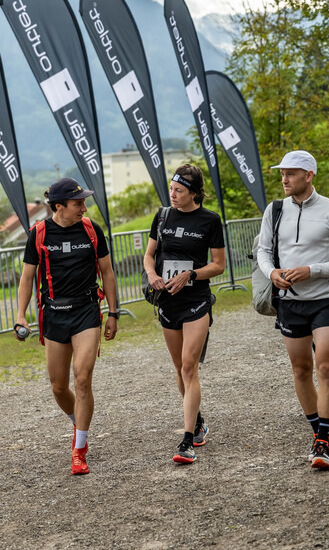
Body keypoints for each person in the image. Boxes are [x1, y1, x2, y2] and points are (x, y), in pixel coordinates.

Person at [255, 150, 329, 470]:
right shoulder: (274, 211)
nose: (284, 179)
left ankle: (323, 440)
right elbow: (263, 251)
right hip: (290, 303)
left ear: (309, 175)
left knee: (324, 367)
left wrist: (312, 270)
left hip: (326, 299)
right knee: (301, 369)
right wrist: (272, 272)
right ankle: (320, 435)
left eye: (291, 173)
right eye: (282, 174)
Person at [15, 178, 118, 475]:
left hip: (86, 311)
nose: (83, 208)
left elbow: (107, 272)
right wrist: (20, 315)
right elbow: (26, 278)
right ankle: (79, 420)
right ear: (58, 207)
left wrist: (112, 312)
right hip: (54, 314)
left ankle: (79, 449)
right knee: (59, 386)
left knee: (81, 378)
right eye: (77, 204)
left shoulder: (91, 229)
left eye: (84, 203)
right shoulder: (39, 234)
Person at [143, 165, 226, 465]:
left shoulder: (210, 220)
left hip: (196, 302)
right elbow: (149, 255)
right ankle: (199, 419)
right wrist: (152, 274)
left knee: (190, 368)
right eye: (171, 189)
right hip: (167, 301)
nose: (173, 195)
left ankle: (187, 440)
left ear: (194, 193)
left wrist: (190, 275)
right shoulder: (163, 216)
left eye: (179, 191)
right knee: (180, 369)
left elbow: (218, 265)